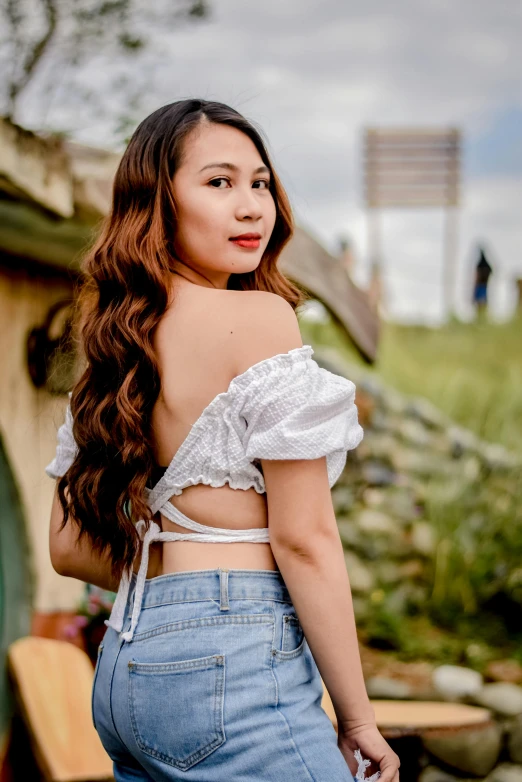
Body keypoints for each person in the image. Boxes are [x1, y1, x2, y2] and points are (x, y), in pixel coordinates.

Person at [46, 99, 400, 782]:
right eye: (218, 182)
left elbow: (67, 550)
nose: (251, 207)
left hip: (128, 671)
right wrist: (357, 720)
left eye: (260, 183)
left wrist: (179, 583)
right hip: (228, 666)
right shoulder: (260, 318)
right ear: (159, 202)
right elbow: (305, 540)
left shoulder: (110, 350)